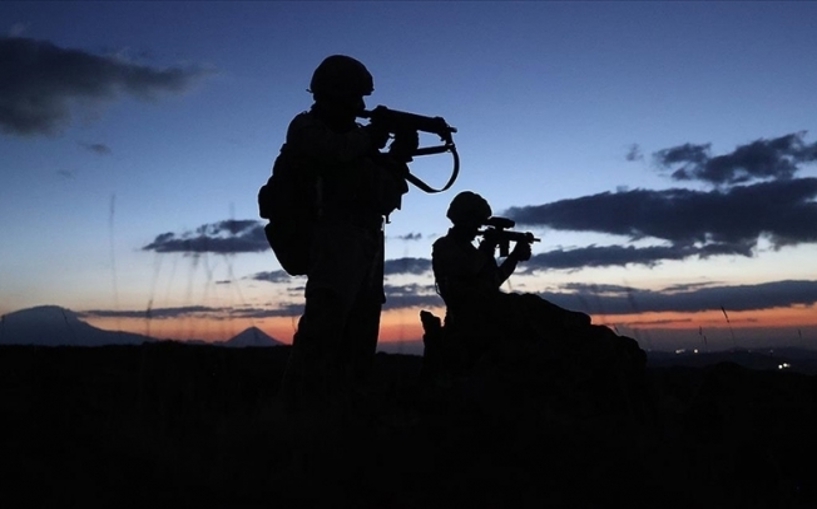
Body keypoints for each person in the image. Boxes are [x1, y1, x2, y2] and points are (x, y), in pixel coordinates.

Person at [276, 55, 418, 410]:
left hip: (366, 241)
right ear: (333, 94)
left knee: (361, 331)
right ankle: (297, 413)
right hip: (333, 239)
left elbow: (382, 194)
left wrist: (399, 156)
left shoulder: (357, 139)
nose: (361, 106)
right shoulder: (307, 128)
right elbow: (335, 154)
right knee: (324, 329)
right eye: (356, 97)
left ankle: (344, 410)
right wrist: (374, 135)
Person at [429, 191, 594, 371]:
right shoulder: (444, 245)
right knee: (526, 305)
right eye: (476, 221)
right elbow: (469, 270)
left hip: (488, 309)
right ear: (464, 218)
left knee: (528, 303)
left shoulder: (474, 250)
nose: (479, 226)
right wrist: (488, 246)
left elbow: (493, 281)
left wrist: (515, 256)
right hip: (468, 317)